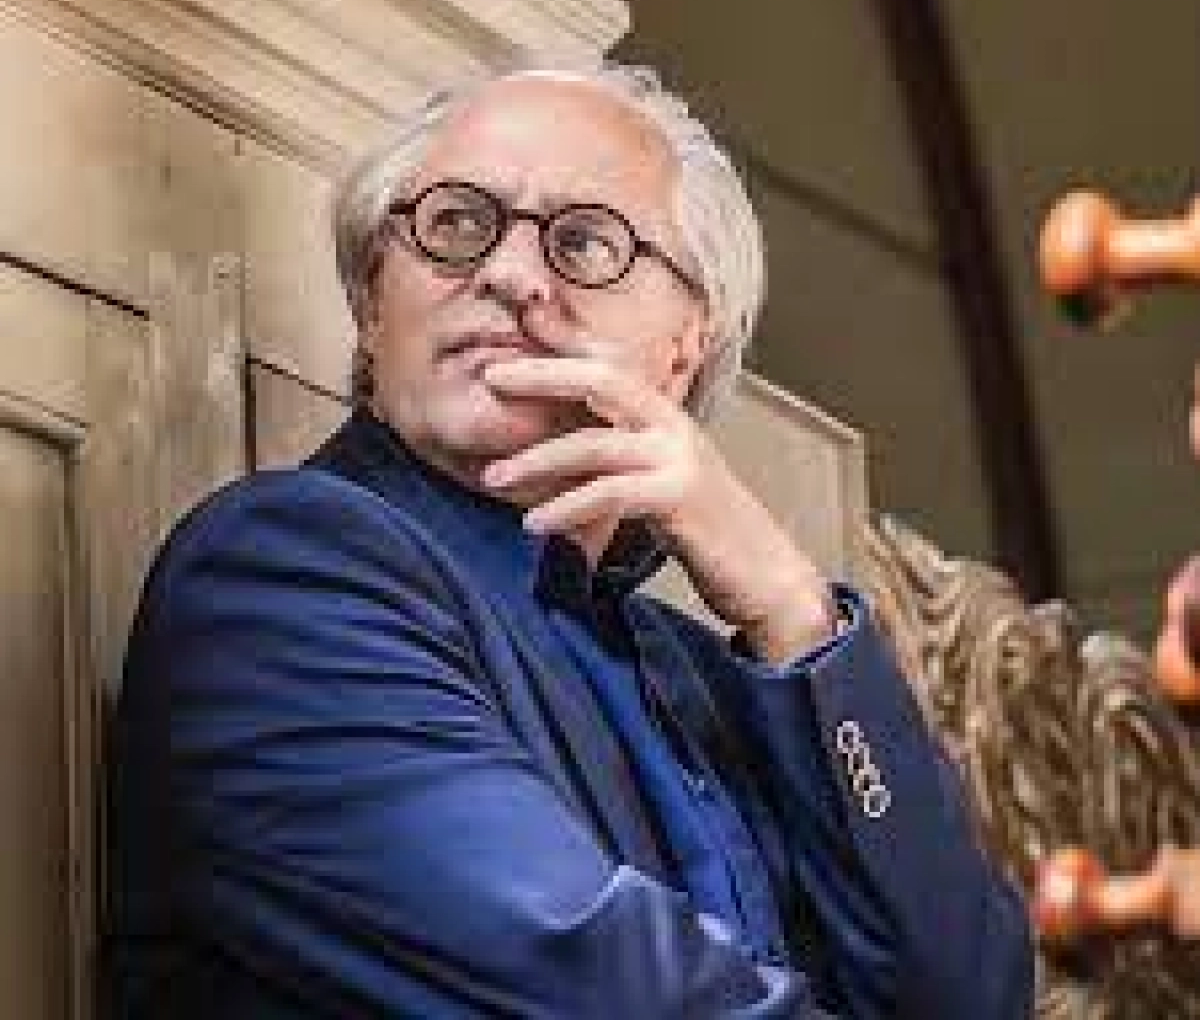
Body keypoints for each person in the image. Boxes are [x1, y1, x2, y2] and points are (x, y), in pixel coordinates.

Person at [105, 62, 1034, 1017]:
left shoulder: (713, 678)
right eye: (457, 223)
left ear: (686, 346)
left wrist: (794, 611)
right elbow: (604, 994)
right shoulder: (282, 575)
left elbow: (970, 995)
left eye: (584, 241)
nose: (509, 273)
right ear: (373, 304)